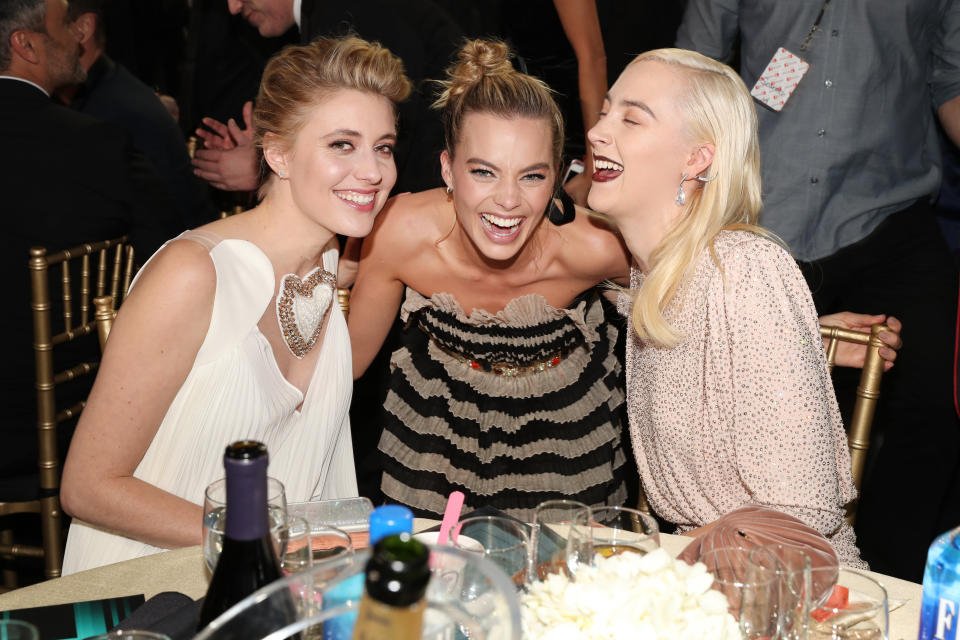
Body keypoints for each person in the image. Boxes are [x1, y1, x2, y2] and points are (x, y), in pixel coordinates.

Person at [59, 36, 411, 574]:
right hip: (151, 589)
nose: (373, 171)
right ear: (276, 154)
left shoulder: (324, 265)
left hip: (274, 585)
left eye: (383, 146)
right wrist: (269, 541)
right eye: (342, 144)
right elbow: (88, 488)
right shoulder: (194, 274)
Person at [676, 0, 960, 581]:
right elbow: (690, 70)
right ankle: (721, 572)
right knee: (721, 408)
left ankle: (886, 582)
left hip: (888, 213)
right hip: (755, 216)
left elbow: (951, 80)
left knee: (937, 400)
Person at [587, 48, 867, 566]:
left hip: (782, 586)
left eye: (631, 118)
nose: (598, 131)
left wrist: (658, 575)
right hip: (700, 576)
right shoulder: (650, 277)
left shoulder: (745, 269)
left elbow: (798, 514)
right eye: (605, 112)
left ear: (697, 158)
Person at [348, 39, 633, 521]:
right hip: (432, 455)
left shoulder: (598, 249)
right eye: (483, 172)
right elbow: (347, 367)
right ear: (448, 170)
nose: (507, 201)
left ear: (558, 177)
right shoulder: (398, 234)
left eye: (531, 177)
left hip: (564, 463)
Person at [0, 0, 182, 494]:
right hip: (49, 421)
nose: (78, 39)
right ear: (26, 45)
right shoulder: (96, 145)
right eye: (64, 28)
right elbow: (172, 253)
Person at [192, 0, 461, 194]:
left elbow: (385, 136)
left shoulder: (346, 12)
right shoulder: (329, 12)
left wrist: (267, 168)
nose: (234, 7)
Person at [60, 0, 215, 229]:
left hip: (175, 253)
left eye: (45, 26)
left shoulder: (115, 110)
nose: (28, 41)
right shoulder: (104, 92)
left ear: (83, 28)